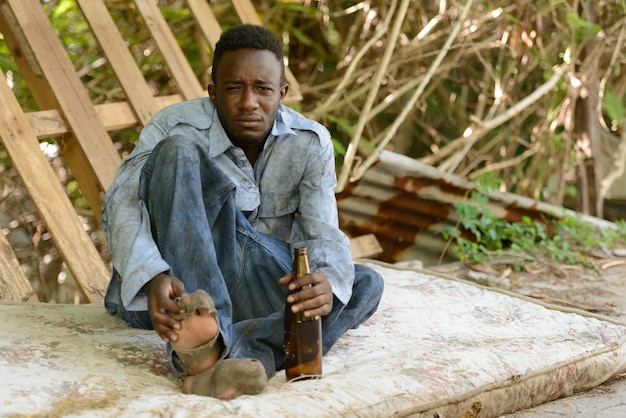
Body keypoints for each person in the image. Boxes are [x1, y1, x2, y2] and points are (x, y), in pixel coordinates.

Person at [102, 24, 384, 399]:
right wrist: (153, 276)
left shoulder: (310, 142)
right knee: (178, 152)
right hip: (176, 294)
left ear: (281, 94)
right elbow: (121, 203)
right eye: (234, 88)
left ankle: (237, 356)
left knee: (362, 284)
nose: (249, 102)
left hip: (250, 280)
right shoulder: (175, 127)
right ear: (213, 93)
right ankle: (203, 344)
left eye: (263, 89)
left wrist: (328, 282)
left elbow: (322, 230)